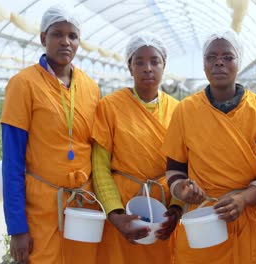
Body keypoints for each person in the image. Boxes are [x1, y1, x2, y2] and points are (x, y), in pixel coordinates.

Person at [162, 29, 256, 264]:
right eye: (211, 57)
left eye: (227, 57)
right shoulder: (185, 110)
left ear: (238, 62)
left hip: (251, 218)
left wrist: (243, 199)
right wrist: (182, 190)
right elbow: (175, 168)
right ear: (204, 65)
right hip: (204, 220)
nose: (219, 62)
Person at [1, 5, 100, 263]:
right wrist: (17, 228)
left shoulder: (91, 88)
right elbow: (12, 162)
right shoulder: (23, 84)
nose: (65, 42)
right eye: (57, 34)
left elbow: (97, 152)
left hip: (83, 205)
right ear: (44, 38)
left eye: (72, 36)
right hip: (43, 209)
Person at [92, 32, 183, 264]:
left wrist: (176, 207)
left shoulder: (179, 111)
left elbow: (186, 165)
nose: (147, 68)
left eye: (155, 61)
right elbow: (100, 166)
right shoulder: (110, 107)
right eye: (139, 62)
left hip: (163, 209)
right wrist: (115, 214)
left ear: (164, 66)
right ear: (130, 67)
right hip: (125, 206)